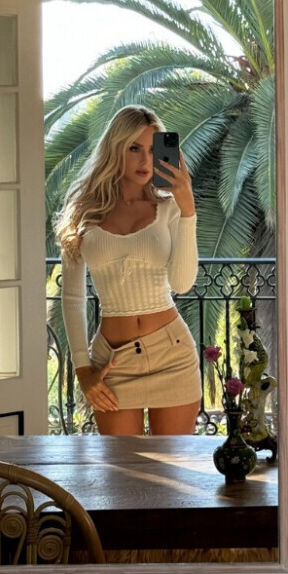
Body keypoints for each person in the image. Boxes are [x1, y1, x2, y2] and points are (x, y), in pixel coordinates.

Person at [55, 105, 202, 435]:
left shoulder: (170, 209)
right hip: (113, 363)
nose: (145, 160)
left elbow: (181, 284)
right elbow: (73, 298)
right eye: (134, 148)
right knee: (122, 466)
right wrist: (83, 370)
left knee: (173, 466)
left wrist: (187, 209)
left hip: (173, 356)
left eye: (152, 150)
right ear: (115, 148)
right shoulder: (84, 212)